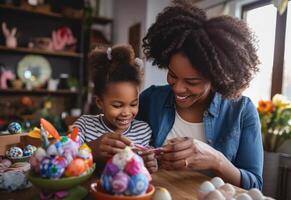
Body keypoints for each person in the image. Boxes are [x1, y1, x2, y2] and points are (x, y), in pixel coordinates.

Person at [138, 1, 263, 189]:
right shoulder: (150, 99)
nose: (178, 88)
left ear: (216, 77)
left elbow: (254, 185)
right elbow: (126, 155)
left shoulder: (241, 111)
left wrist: (216, 159)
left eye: (192, 82)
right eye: (172, 75)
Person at [74, 45, 157, 173]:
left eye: (133, 104)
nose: (126, 113)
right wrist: (91, 149)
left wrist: (150, 162)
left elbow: (148, 162)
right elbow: (63, 154)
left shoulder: (143, 130)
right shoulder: (85, 125)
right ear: (99, 102)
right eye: (117, 106)